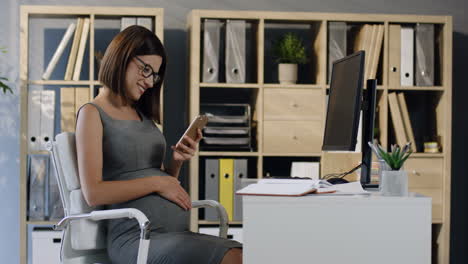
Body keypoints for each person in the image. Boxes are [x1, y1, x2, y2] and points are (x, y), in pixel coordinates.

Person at [75, 25, 242, 264]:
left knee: (244, 252)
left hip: (172, 235)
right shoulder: (92, 113)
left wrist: (175, 164)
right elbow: (94, 193)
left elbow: (160, 181)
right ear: (122, 56)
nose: (150, 82)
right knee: (232, 256)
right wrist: (158, 182)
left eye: (154, 75)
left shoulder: (141, 115)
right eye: (145, 69)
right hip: (135, 239)